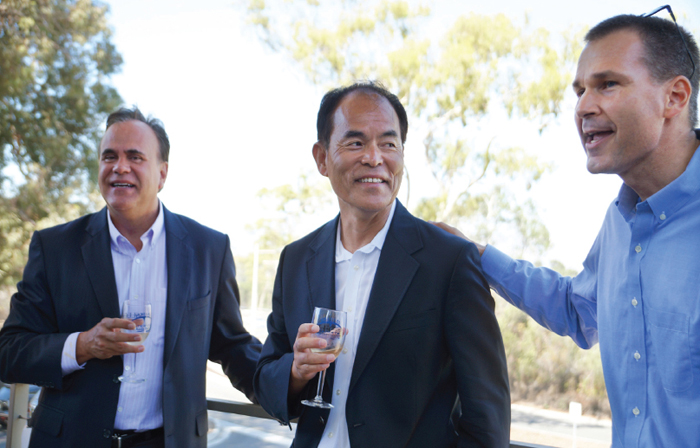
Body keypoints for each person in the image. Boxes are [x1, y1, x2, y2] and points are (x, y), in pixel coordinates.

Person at [435, 11, 700, 448]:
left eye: (607, 84)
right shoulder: (619, 223)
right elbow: (579, 312)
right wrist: (476, 254)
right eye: (579, 91)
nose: (582, 107)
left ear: (674, 97)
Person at [254, 82, 510, 447]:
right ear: (322, 158)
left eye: (389, 144)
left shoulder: (449, 261)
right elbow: (266, 378)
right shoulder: (296, 259)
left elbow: (488, 420)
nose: (374, 158)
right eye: (356, 142)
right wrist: (295, 371)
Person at [0, 107, 261, 448]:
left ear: (162, 173)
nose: (119, 167)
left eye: (135, 157)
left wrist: (289, 381)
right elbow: (10, 351)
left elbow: (231, 344)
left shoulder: (208, 248)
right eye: (109, 156)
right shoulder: (54, 247)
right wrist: (83, 345)